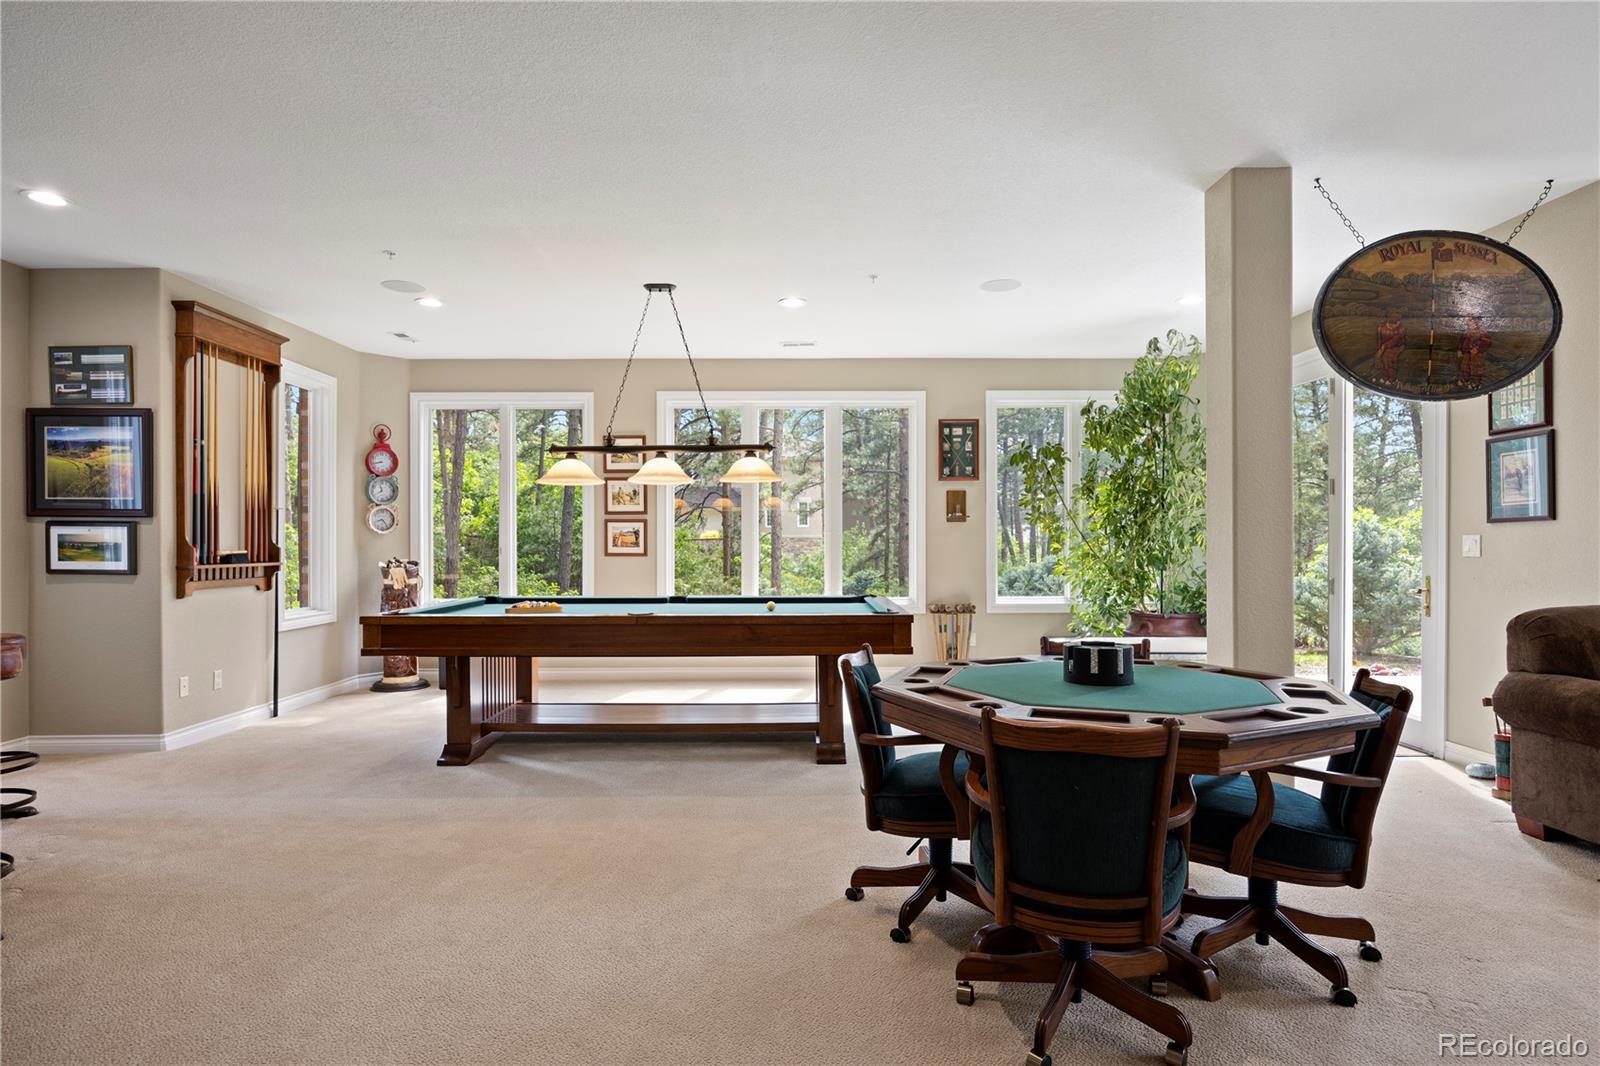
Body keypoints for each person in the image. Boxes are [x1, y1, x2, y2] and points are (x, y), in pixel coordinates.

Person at [1456, 316, 1491, 391]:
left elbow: (1486, 342)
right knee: (1464, 366)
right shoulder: (1466, 332)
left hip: (1477, 354)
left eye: (1471, 321)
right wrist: (1459, 350)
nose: (1469, 323)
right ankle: (1464, 380)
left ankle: (1475, 383)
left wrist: (1477, 348)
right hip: (1466, 352)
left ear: (1475, 322)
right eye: (1468, 322)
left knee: (1476, 367)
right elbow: (1461, 341)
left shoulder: (1482, 332)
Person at [1373, 308, 1406, 383]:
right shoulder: (1382, 326)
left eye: (1396, 316)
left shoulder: (1401, 328)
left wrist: (1383, 347)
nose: (1394, 317)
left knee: (1387, 357)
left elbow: (1396, 340)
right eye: (1392, 316)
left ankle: (1393, 378)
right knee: (1379, 357)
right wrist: (1379, 349)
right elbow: (1379, 339)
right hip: (1383, 347)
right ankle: (1385, 376)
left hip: (1397, 346)